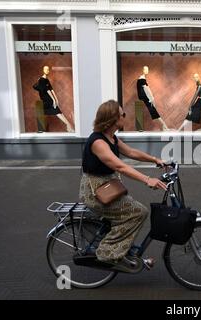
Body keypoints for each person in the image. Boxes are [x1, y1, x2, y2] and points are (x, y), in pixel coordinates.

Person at [79, 100, 167, 271]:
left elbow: (131, 152)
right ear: (112, 118)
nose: (125, 117)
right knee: (138, 212)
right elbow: (120, 166)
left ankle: (123, 250)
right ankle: (108, 253)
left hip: (108, 186)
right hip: (96, 192)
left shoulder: (111, 137)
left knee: (131, 211)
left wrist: (155, 159)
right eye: (122, 114)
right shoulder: (98, 142)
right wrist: (147, 179)